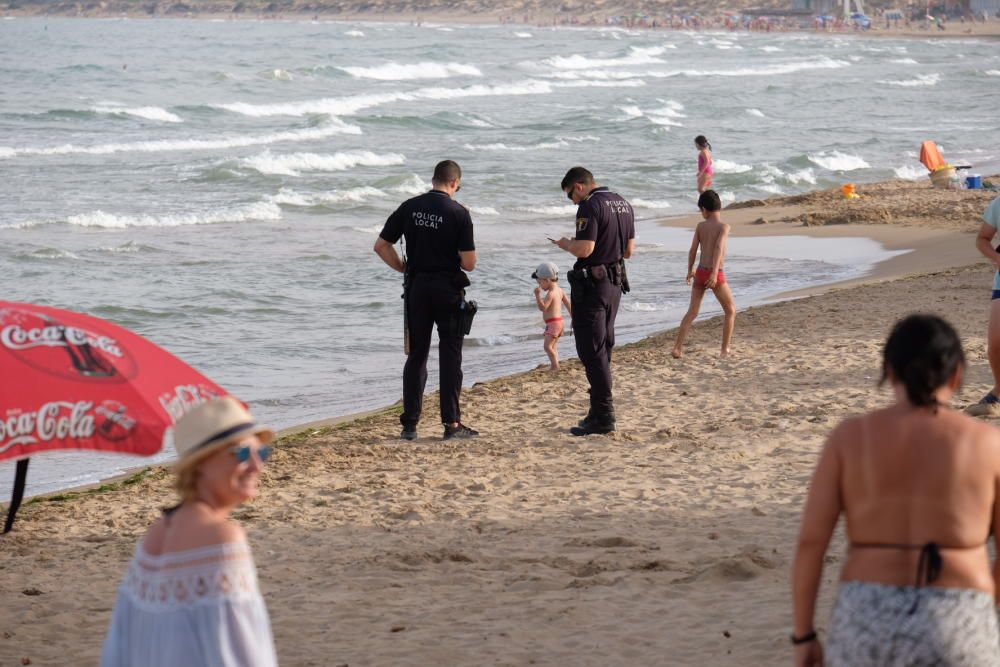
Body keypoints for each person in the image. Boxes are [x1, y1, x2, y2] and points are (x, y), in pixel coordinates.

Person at [791, 315, 1000, 667]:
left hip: (868, 612)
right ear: (957, 374)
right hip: (957, 611)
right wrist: (980, 608)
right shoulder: (987, 443)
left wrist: (804, 635)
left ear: (889, 371)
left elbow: (811, 543)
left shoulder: (850, 438)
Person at [101, 396, 278, 667]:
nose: (258, 466)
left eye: (262, 452)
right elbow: (241, 655)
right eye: (242, 453)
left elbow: (120, 649)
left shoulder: (157, 533)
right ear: (201, 463)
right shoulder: (221, 536)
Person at [374, 160, 478, 441]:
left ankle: (410, 424)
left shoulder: (410, 207)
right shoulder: (459, 213)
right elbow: (469, 263)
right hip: (447, 289)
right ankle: (451, 424)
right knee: (450, 356)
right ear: (455, 183)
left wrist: (402, 267)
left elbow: (381, 246)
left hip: (417, 288)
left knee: (417, 355)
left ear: (433, 180)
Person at [553, 166, 635, 436]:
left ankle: (604, 414)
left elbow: (585, 248)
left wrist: (566, 244)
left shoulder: (589, 206)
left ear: (578, 186)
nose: (572, 202)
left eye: (570, 196)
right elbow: (629, 251)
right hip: (615, 282)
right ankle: (597, 410)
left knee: (591, 350)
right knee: (604, 346)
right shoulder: (622, 202)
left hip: (594, 286)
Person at [671, 190, 736, 358]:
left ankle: (678, 348)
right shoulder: (724, 227)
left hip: (700, 272)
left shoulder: (701, 226)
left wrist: (689, 270)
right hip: (716, 274)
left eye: (701, 210)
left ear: (705, 209)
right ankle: (724, 350)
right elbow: (718, 248)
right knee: (730, 310)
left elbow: (693, 250)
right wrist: (714, 273)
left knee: (692, 312)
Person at [971, 194, 1000, 413]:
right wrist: (997, 258)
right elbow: (983, 239)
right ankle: (999, 392)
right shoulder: (998, 204)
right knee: (996, 341)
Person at [532, 261, 572, 371]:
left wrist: (537, 296)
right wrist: (573, 317)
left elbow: (543, 308)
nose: (539, 285)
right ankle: (555, 364)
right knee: (553, 346)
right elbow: (568, 304)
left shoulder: (551, 293)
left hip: (553, 324)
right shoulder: (560, 290)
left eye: (540, 282)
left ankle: (555, 366)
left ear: (547, 280)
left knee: (547, 347)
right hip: (559, 322)